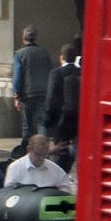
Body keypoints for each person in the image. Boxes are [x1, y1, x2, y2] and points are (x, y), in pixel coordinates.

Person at [11, 25, 55, 147]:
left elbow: (17, 76)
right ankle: (43, 147)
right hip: (43, 92)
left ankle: (27, 149)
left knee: (27, 125)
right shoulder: (44, 52)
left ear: (24, 37)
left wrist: (16, 95)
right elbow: (51, 71)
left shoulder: (19, 54)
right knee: (42, 123)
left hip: (27, 94)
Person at [43, 42, 81, 171]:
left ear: (61, 57)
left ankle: (61, 173)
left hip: (61, 119)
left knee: (61, 150)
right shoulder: (81, 72)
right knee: (78, 148)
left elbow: (51, 97)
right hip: (78, 119)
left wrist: (48, 117)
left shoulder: (56, 73)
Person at [3, 134, 74, 192]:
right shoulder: (15, 168)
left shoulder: (56, 170)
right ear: (29, 149)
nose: (40, 158)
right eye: (37, 154)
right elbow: (9, 193)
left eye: (44, 154)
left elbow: (66, 191)